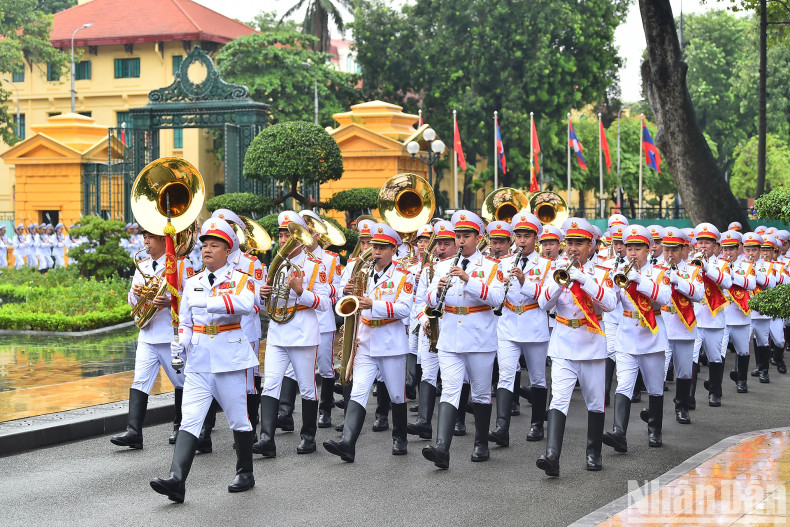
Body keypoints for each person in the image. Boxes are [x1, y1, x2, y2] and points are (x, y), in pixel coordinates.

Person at [150, 218, 258, 502]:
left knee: (238, 419)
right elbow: (185, 321)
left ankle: (245, 472)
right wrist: (180, 343)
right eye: (205, 245)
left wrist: (208, 302)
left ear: (227, 250)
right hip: (198, 360)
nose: (207, 250)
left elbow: (246, 305)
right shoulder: (193, 281)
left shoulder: (241, 279)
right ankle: (177, 480)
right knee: (190, 419)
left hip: (228, 358)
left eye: (214, 245)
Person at [323, 223, 416, 461]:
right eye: (374, 246)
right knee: (359, 391)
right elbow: (350, 303)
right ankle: (347, 443)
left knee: (397, 394)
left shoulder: (404, 276)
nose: (376, 251)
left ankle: (400, 437)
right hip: (364, 340)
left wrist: (373, 304)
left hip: (390, 341)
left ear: (393, 249)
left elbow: (405, 309)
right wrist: (348, 292)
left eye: (382, 248)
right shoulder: (361, 272)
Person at [422, 210, 505, 469]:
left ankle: (481, 442)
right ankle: (442, 448)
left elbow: (497, 299)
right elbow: (429, 299)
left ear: (478, 238)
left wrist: (468, 279)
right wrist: (436, 292)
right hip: (450, 337)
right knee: (450, 389)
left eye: (465, 236)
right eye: (457, 236)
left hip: (479, 338)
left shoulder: (492, 267)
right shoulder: (443, 266)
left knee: (480, 393)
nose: (460, 241)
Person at [536, 218, 616, 477]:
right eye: (569, 243)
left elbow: (611, 303)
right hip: (562, 342)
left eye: (578, 243)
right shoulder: (555, 268)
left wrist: (584, 279)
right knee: (558, 398)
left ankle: (593, 453)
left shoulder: (603, 272)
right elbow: (543, 303)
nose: (572, 248)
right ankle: (552, 456)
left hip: (591, 343)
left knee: (595, 401)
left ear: (591, 246)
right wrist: (560, 283)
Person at [255, 212, 329, 458]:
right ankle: (266, 438)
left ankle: (308, 436)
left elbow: (324, 303)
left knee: (307, 388)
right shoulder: (274, 264)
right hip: (278, 331)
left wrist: (300, 291)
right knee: (270, 383)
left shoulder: (314, 266)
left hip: (302, 332)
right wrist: (263, 294)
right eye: (282, 234)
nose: (284, 239)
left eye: (289, 234)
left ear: (301, 237)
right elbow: (269, 302)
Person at [111, 227, 193, 450]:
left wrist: (171, 302)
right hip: (148, 332)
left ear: (163, 240)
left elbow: (194, 295)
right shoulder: (143, 265)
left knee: (181, 382)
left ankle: (181, 426)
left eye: (151, 238)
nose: (146, 242)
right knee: (140, 380)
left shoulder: (181, 263)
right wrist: (136, 293)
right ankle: (133, 432)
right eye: (145, 237)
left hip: (170, 333)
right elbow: (131, 299)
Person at [194, 209, 266, 453]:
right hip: (212, 332)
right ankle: (203, 432)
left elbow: (258, 301)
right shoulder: (208, 258)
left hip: (243, 328)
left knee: (246, 384)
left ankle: (248, 433)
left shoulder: (251, 264)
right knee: (207, 379)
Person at [602, 225, 671, 453]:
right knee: (624, 384)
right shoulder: (618, 271)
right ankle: (619, 433)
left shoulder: (659, 272)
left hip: (651, 335)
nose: (632, 253)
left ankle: (655, 430)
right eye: (629, 248)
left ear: (648, 249)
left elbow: (665, 298)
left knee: (654, 387)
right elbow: (611, 303)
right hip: (627, 334)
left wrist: (639, 280)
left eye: (637, 248)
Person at [489, 212, 552, 448]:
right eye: (519, 236)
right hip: (507, 321)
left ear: (536, 238)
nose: (522, 241)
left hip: (534, 322)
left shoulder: (546, 265)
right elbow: (494, 294)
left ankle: (537, 423)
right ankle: (501, 427)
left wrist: (525, 281)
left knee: (537, 376)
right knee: (506, 374)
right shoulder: (503, 263)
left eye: (527, 236)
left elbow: (547, 298)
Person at [408, 220, 456, 440]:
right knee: (427, 373)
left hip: (453, 327)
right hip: (430, 327)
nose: (441, 248)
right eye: (439, 244)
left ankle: (459, 421)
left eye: (447, 243)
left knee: (453, 378)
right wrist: (424, 319)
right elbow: (418, 301)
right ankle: (424, 423)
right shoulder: (428, 269)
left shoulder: (463, 267)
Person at [659, 228, 704, 423]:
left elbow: (699, 294)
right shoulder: (656, 268)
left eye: (674, 250)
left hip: (684, 323)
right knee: (659, 369)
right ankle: (655, 411)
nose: (669, 254)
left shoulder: (693, 270)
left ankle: (682, 407)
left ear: (683, 249)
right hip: (661, 322)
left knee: (684, 369)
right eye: (666, 250)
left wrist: (679, 281)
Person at [692, 223, 732, 407]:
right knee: (691, 357)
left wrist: (707, 267)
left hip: (714, 317)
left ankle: (715, 392)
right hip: (693, 317)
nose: (702, 246)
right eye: (700, 242)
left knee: (715, 356)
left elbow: (727, 283)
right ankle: (688, 398)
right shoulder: (689, 262)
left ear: (715, 246)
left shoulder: (722, 264)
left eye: (707, 243)